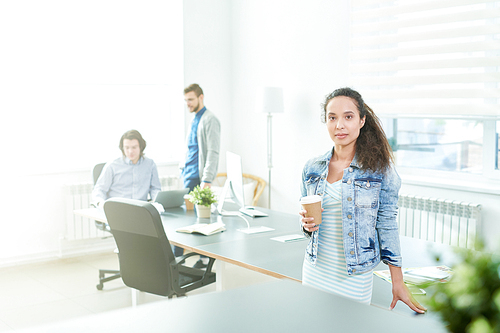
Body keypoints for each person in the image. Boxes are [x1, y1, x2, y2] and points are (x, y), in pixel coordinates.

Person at [299, 87, 426, 313]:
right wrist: (306, 225)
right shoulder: (312, 168)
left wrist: (398, 281)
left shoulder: (379, 170)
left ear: (361, 121)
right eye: (332, 118)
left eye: (348, 117)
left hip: (354, 278)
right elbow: (309, 226)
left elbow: (386, 224)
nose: (340, 125)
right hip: (315, 271)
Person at [179, 84, 221, 267]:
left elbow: (213, 152)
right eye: (186, 100)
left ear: (201, 97)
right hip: (188, 174)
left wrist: (207, 179)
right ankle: (179, 259)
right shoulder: (194, 118)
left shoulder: (210, 120)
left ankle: (204, 260)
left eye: (191, 99)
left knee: (202, 220)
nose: (187, 103)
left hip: (199, 177)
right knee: (185, 219)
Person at [92, 129, 161, 207]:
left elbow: (155, 189)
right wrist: (101, 203)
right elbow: (99, 190)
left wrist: (156, 202)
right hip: (118, 210)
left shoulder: (150, 164)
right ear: (122, 148)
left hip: (141, 210)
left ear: (141, 147)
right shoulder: (112, 165)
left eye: (134, 147)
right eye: (127, 148)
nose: (130, 151)